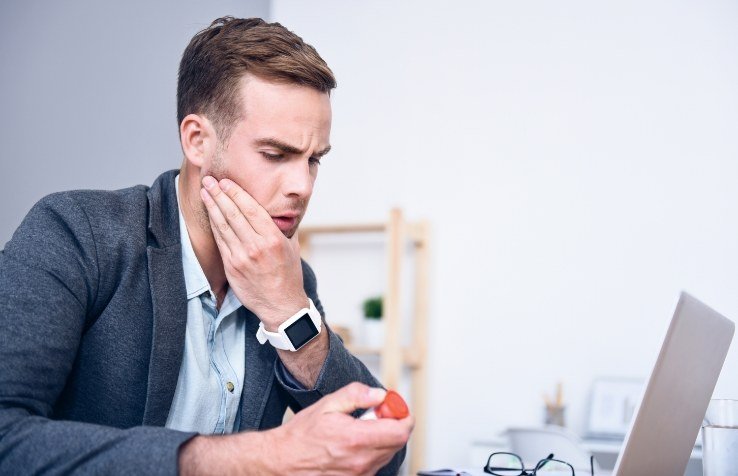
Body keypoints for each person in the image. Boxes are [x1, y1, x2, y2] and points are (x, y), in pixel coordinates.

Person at [0, 17, 413, 475]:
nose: (301, 185)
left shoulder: (286, 278)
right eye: (276, 155)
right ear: (197, 140)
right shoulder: (78, 234)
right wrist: (255, 458)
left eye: (313, 160)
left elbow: (386, 456)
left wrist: (290, 315)